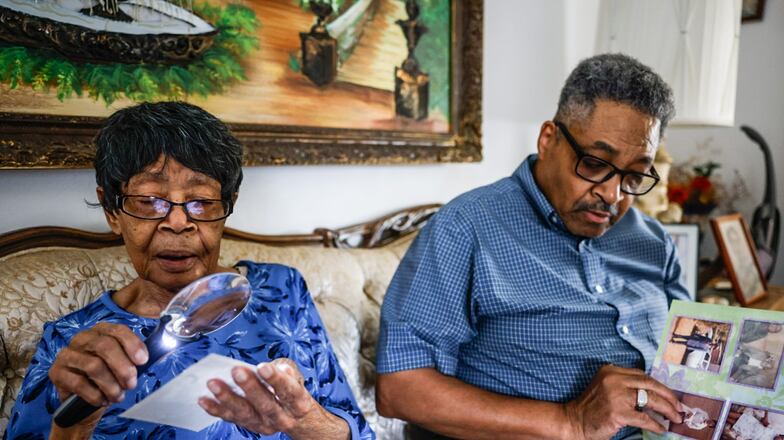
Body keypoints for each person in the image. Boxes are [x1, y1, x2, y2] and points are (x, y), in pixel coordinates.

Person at [4, 102, 373, 440]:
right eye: (149, 201)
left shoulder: (281, 289)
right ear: (112, 211)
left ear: (227, 206)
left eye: (201, 201)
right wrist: (75, 424)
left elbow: (357, 433)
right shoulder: (72, 341)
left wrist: (303, 421)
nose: (178, 222)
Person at [376, 53, 690, 440]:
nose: (612, 195)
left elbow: (691, 365)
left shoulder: (653, 241)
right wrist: (571, 421)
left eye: (635, 176)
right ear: (548, 140)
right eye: (595, 164)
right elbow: (400, 389)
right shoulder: (465, 229)